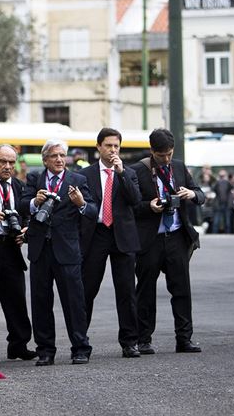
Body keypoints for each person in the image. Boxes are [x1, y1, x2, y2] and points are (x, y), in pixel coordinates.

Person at [20, 139, 96, 366]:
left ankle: (80, 348)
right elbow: (23, 204)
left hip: (67, 250)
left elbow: (92, 211)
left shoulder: (78, 180)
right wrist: (35, 201)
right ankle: (45, 350)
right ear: (45, 159)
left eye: (63, 155)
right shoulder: (35, 178)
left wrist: (81, 203)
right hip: (40, 249)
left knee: (74, 301)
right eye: (54, 156)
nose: (60, 159)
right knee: (41, 302)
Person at [131, 128, 205, 354]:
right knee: (145, 291)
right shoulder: (138, 170)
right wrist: (149, 206)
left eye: (169, 154)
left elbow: (200, 194)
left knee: (182, 290)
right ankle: (144, 340)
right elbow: (131, 205)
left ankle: (184, 339)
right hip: (150, 240)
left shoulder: (180, 167)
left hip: (177, 237)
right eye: (161, 155)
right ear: (152, 151)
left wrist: (191, 195)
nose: (166, 159)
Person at [79, 128, 142, 358]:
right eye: (108, 146)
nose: (113, 150)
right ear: (99, 147)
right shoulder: (85, 174)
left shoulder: (129, 173)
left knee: (126, 291)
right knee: (87, 289)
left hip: (122, 236)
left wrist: (122, 173)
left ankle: (129, 342)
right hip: (96, 235)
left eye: (116, 146)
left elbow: (135, 200)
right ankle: (80, 343)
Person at [0, 144, 37, 362]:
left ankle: (19, 345)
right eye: (3, 161)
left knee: (17, 300)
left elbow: (28, 213)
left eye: (11, 162)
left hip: (12, 249)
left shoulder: (20, 187)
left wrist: (25, 231)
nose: (7, 166)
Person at [211, 169, 233, 234]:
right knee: (216, 222)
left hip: (227, 204)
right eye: (221, 176)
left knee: (228, 223)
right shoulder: (217, 183)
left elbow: (232, 187)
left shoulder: (228, 183)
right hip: (218, 204)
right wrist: (218, 180)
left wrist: (227, 179)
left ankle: (228, 236)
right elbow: (213, 188)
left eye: (223, 176)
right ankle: (214, 235)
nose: (222, 177)